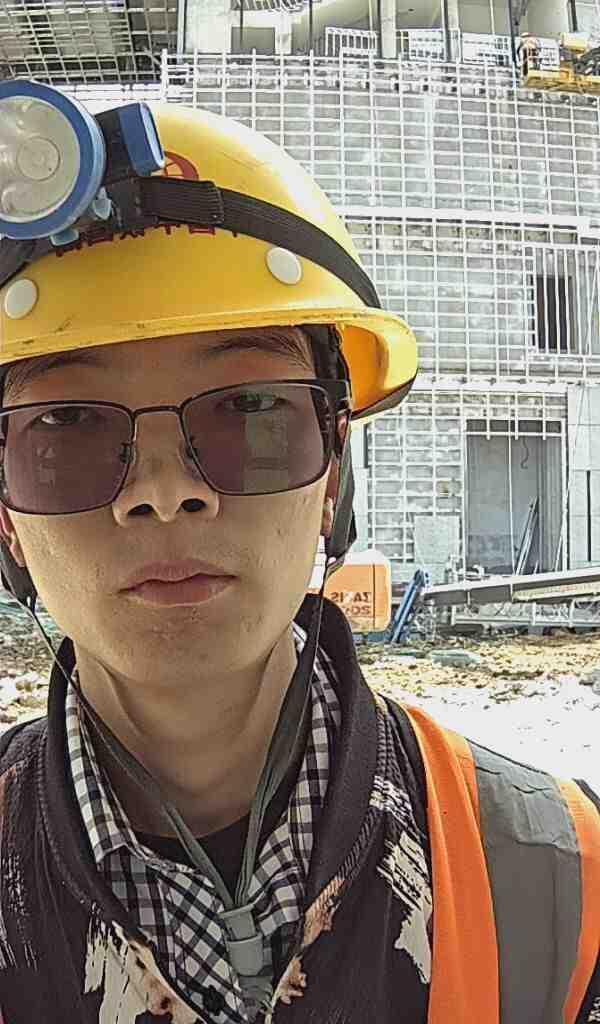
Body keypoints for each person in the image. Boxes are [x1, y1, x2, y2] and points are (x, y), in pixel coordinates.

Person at [0, 86, 597, 1024]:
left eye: (248, 411)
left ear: (331, 476)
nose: (164, 489)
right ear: (5, 516)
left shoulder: (556, 881)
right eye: (68, 425)